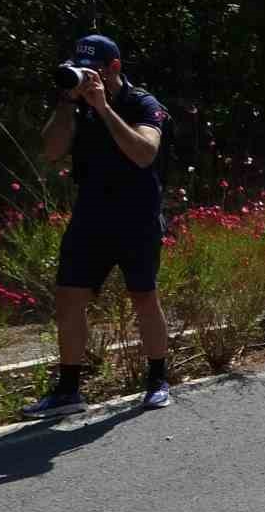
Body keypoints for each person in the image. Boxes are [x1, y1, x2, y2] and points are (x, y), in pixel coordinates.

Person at [23, 35, 172, 418]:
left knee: (143, 296)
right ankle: (69, 390)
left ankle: (157, 379)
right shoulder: (76, 106)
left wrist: (104, 109)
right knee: (69, 297)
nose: (88, 77)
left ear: (114, 68)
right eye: (81, 69)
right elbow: (52, 151)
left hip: (137, 216)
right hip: (91, 216)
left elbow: (145, 153)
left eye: (96, 71)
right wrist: (66, 103)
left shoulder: (141, 103)